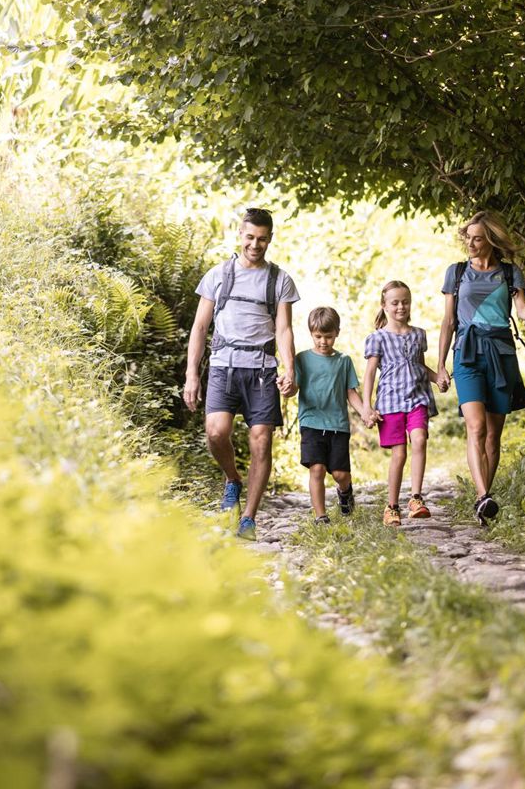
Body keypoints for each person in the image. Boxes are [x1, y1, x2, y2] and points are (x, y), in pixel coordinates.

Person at [183, 208, 299, 541]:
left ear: (270, 239)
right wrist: (192, 375)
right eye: (250, 237)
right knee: (216, 433)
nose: (255, 244)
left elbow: (284, 329)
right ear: (240, 234)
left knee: (261, 441)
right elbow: (200, 327)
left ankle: (248, 518)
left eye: (262, 239)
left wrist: (289, 369)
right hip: (223, 367)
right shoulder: (218, 275)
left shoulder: (280, 280)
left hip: (262, 372)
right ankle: (232, 479)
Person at [435, 211, 525, 525]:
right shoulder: (456, 274)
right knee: (476, 427)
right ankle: (483, 496)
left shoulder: (509, 274)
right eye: (467, 236)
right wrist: (440, 365)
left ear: (491, 240)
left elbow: (520, 308)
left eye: (477, 237)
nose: (470, 242)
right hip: (467, 354)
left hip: (501, 354)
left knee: (494, 436)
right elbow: (448, 321)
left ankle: (485, 501)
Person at [362, 281, 447, 527]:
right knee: (399, 454)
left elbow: (419, 365)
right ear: (385, 305)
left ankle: (416, 498)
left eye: (405, 301)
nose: (401, 307)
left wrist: (437, 378)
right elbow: (369, 374)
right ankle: (391, 507)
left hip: (417, 397)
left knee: (420, 440)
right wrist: (367, 407)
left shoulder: (419, 334)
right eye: (395, 302)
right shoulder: (377, 338)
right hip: (389, 403)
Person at [294, 306, 377, 525]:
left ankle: (345, 491)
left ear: (337, 333)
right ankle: (320, 516)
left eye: (328, 336)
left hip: (338, 425)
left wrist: (365, 413)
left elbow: (351, 393)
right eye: (318, 336)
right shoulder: (301, 359)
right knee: (317, 469)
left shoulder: (344, 361)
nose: (323, 341)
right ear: (311, 333)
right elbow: (293, 387)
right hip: (311, 422)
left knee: (340, 474)